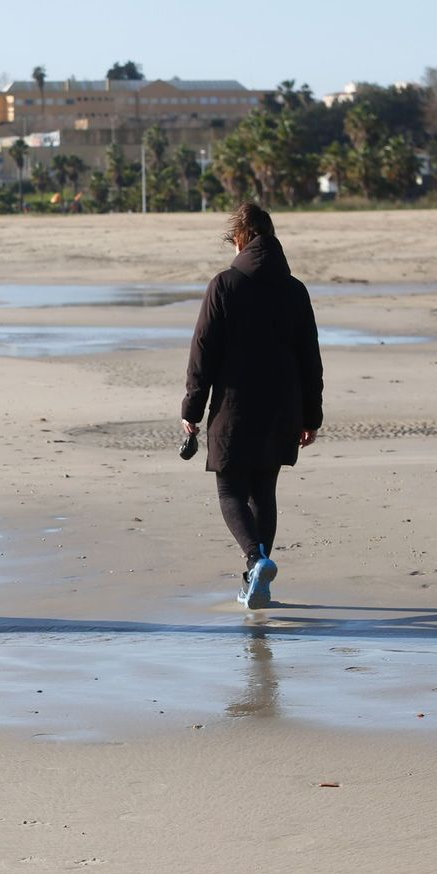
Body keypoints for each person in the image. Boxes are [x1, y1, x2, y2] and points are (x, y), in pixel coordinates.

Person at [181, 202, 323, 610]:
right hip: (283, 407)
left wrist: (192, 409)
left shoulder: (224, 284)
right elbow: (310, 358)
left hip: (235, 407)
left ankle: (255, 561)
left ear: (239, 239)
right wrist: (311, 416)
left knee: (229, 488)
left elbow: (202, 353)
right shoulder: (295, 290)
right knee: (264, 490)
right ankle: (257, 581)